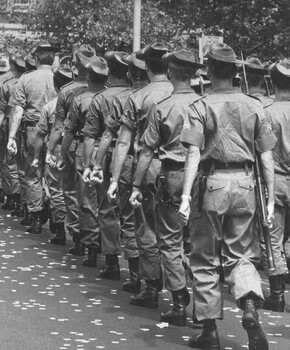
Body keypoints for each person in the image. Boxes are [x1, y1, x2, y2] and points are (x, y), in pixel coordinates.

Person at [178, 43, 275, 350]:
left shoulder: (199, 105)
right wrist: (270, 198)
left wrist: (184, 196)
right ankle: (248, 304)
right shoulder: (255, 104)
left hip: (212, 184)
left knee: (204, 258)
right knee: (243, 254)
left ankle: (209, 331)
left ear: (208, 71)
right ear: (235, 72)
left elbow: (193, 153)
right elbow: (267, 157)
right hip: (246, 184)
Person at [130, 49, 204, 325]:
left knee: (170, 241)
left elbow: (147, 150)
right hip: (202, 178)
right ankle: (203, 305)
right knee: (198, 242)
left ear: (170, 72)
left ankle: (178, 302)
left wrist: (136, 184)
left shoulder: (163, 107)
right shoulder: (204, 103)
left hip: (173, 175)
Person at [109, 43, 173, 307]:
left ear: (146, 66)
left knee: (145, 227)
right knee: (175, 231)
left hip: (146, 168)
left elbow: (123, 142)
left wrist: (114, 178)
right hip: (179, 169)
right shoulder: (183, 94)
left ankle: (151, 285)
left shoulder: (138, 97)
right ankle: (180, 290)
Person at [92, 51, 147, 293]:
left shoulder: (119, 99)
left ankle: (116, 262)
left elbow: (109, 135)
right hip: (157, 163)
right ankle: (151, 276)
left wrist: (96, 163)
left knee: (113, 211)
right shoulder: (166, 95)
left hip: (124, 159)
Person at [82, 51, 131, 277]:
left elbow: (92, 136)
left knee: (108, 208)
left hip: (109, 154)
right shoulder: (136, 95)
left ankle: (112, 260)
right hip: (134, 158)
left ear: (109, 72)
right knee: (132, 213)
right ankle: (138, 268)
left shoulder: (100, 98)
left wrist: (93, 164)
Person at [46, 44, 96, 253]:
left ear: (74, 66)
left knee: (72, 192)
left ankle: (78, 236)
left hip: (75, 144)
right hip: (101, 147)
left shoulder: (67, 92)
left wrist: (52, 151)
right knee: (94, 194)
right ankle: (95, 239)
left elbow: (59, 127)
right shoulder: (106, 89)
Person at [60, 55, 108, 266]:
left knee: (86, 200)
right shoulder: (112, 97)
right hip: (110, 150)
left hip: (85, 148)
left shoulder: (80, 99)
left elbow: (69, 131)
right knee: (107, 201)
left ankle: (90, 246)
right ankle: (110, 252)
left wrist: (63, 154)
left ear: (88, 76)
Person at [7, 41, 58, 234]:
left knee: (33, 173)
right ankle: (56, 219)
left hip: (32, 129)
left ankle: (35, 216)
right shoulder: (60, 79)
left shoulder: (26, 79)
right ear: (52, 60)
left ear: (35, 59)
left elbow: (18, 110)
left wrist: (12, 136)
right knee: (54, 175)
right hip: (55, 131)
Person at [259, 59, 290, 313]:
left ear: (272, 82)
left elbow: (263, 152)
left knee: (272, 237)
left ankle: (277, 294)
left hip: (276, 181)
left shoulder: (268, 112)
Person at [33, 67, 73, 244]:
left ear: (56, 86)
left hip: (56, 147)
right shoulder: (80, 100)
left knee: (57, 189)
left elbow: (41, 134)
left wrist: (38, 156)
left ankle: (59, 230)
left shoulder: (50, 106)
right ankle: (79, 236)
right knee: (77, 191)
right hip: (77, 147)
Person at [0, 51, 26, 211]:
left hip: (9, 125)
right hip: (30, 127)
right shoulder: (34, 80)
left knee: (8, 162)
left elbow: (0, 110)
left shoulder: (6, 82)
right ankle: (25, 202)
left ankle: (12, 196)